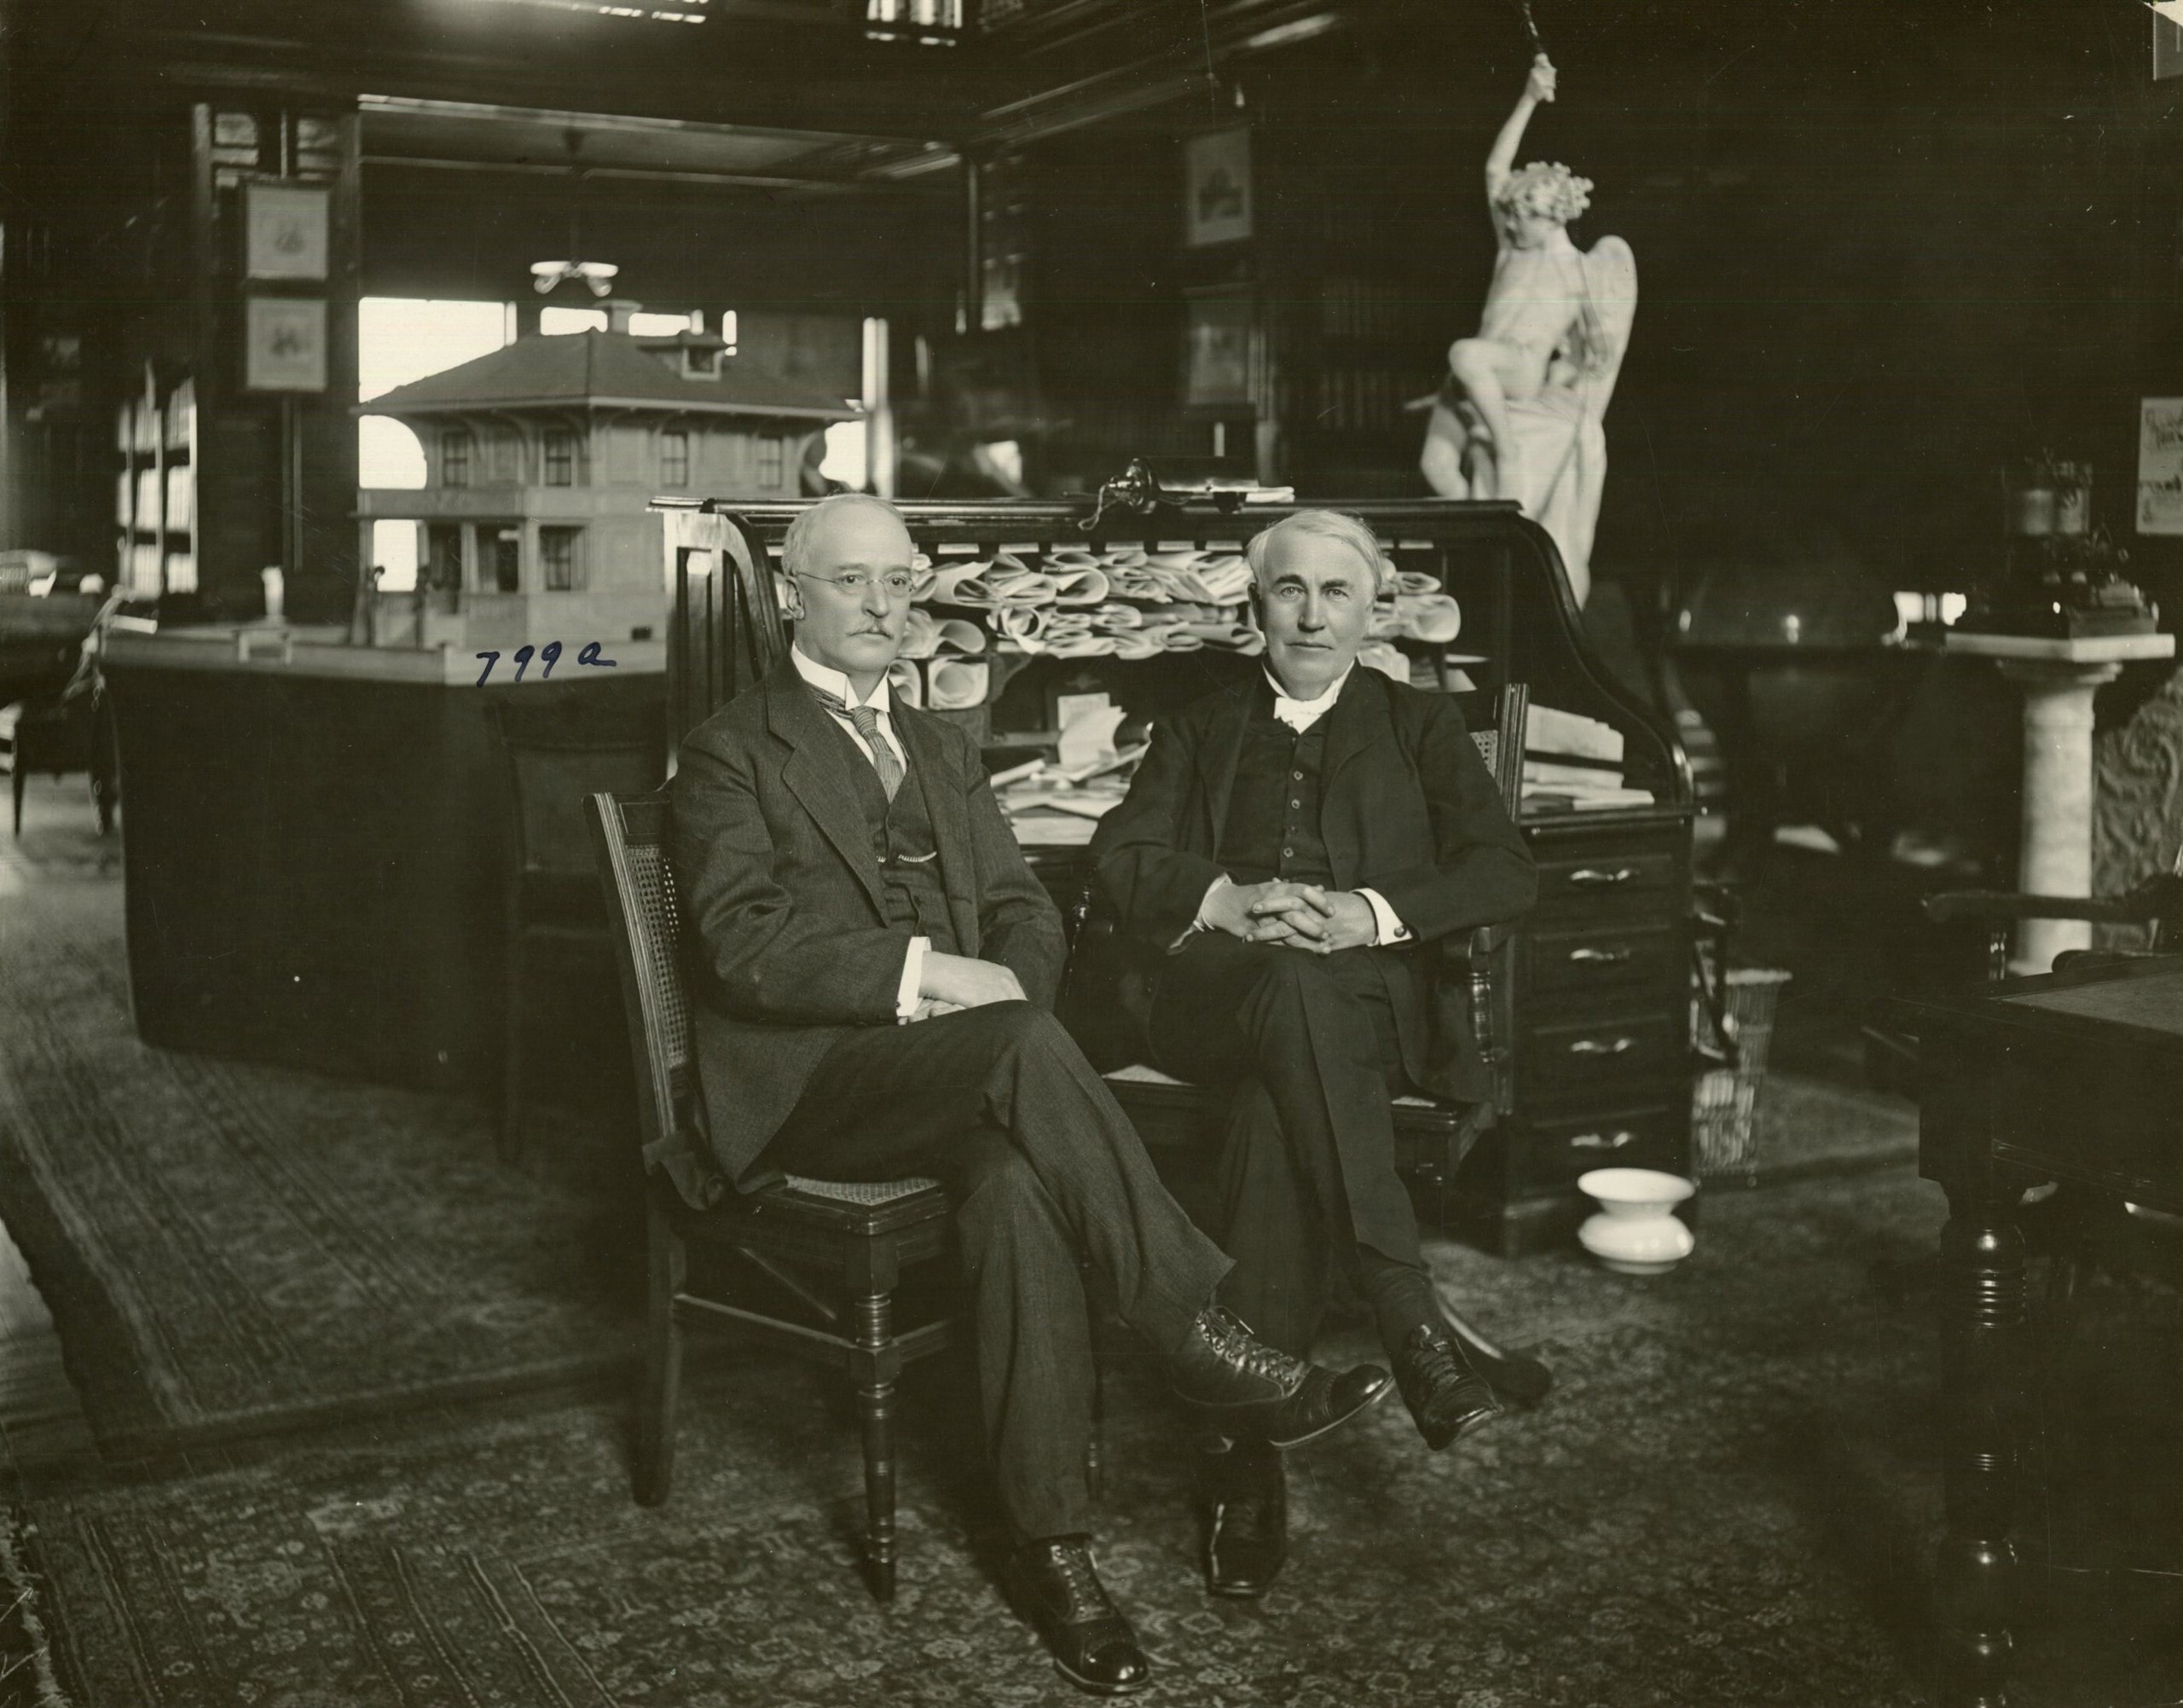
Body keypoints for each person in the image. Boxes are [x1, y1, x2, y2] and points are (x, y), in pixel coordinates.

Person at [669, 492, 1392, 1697]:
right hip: (812, 1088)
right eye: (854, 582)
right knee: (1016, 1048)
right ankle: (1195, 1329)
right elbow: (747, 945)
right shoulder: (732, 747)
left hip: (962, 1073)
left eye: (901, 585)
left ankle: (1056, 1550)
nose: (884, 608)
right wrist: (928, 974)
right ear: (791, 593)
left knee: (1016, 1187)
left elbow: (1022, 908)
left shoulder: (943, 746)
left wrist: (1006, 986)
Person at [1085, 508, 1538, 1600]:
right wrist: (1228, 900)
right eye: (1290, 590)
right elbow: (1122, 854)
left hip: (1362, 1011)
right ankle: (1405, 1310)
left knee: (1269, 1112)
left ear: (1372, 609)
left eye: (1338, 593)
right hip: (1211, 998)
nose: (1312, 613)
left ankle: (1247, 1457)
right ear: (1256, 606)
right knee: (1280, 989)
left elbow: (1503, 871)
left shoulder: (1421, 725)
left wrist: (1368, 912)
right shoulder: (1197, 724)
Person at [1420, 58, 1636, 609]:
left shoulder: (1580, 272)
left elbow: (1595, 347)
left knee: (1465, 353)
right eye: (1511, 215)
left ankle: (1509, 455)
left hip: (1513, 369)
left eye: (1522, 216)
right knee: (1434, 465)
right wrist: (1529, 97)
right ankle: (1480, 515)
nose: (1510, 223)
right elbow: (1496, 169)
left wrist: (1572, 378)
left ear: (1554, 214)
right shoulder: (1511, 251)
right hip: (1478, 377)